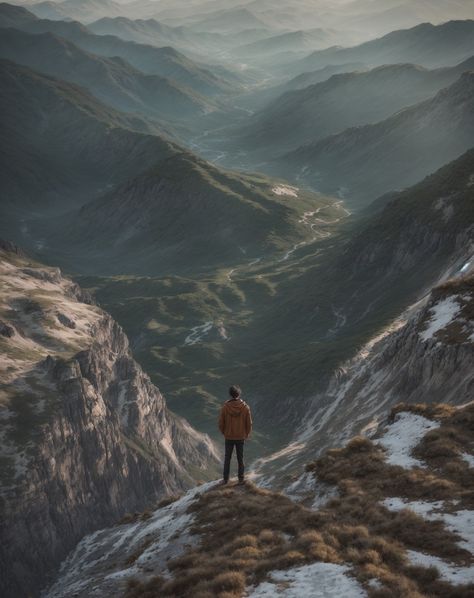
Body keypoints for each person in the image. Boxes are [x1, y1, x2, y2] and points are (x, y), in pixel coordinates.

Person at [218, 385, 252, 485]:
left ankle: (225, 479)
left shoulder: (225, 407)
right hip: (241, 437)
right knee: (240, 458)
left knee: (227, 458)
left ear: (230, 394)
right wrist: (246, 434)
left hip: (229, 436)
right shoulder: (245, 407)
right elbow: (249, 423)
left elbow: (221, 423)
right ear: (239, 394)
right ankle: (241, 479)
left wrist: (225, 432)